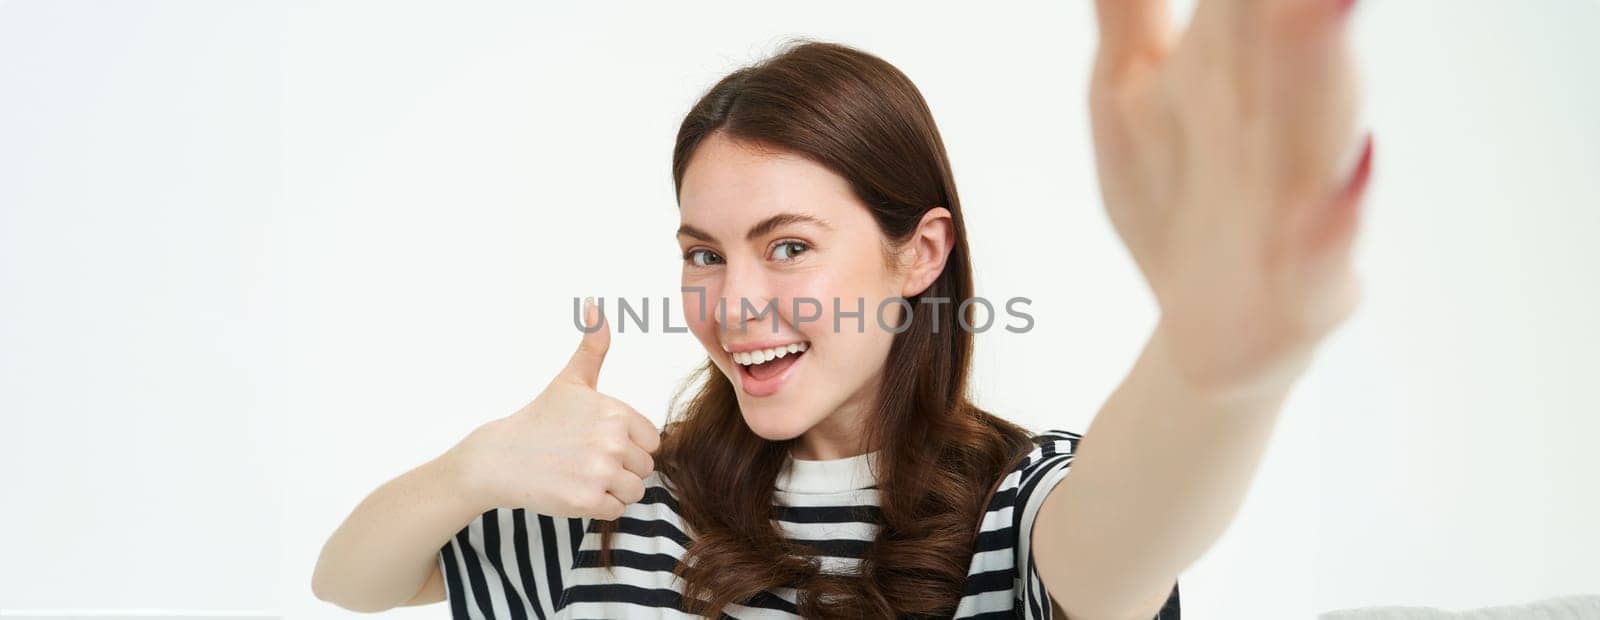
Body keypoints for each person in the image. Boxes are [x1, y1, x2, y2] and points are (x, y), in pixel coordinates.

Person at [313, 0, 1369, 617]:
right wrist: (472, 466)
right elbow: (349, 578)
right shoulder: (618, 506)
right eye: (702, 252)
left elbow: (1130, 531)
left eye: (788, 246)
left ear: (918, 254)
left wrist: (1214, 358)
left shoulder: (1015, 508)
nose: (734, 302)